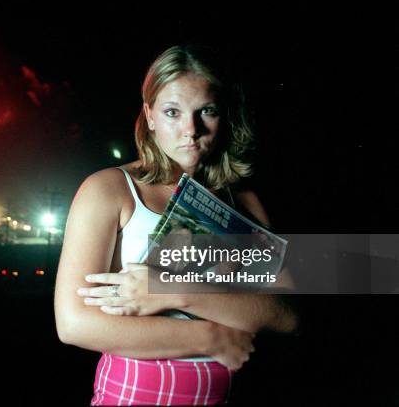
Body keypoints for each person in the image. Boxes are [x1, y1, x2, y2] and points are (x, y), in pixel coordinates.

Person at [54, 44, 297, 406]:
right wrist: (211, 337)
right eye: (172, 112)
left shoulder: (243, 201)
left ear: (225, 115)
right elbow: (74, 324)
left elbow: (284, 316)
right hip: (134, 394)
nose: (191, 130)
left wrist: (172, 290)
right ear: (149, 116)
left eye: (207, 111)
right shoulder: (111, 189)